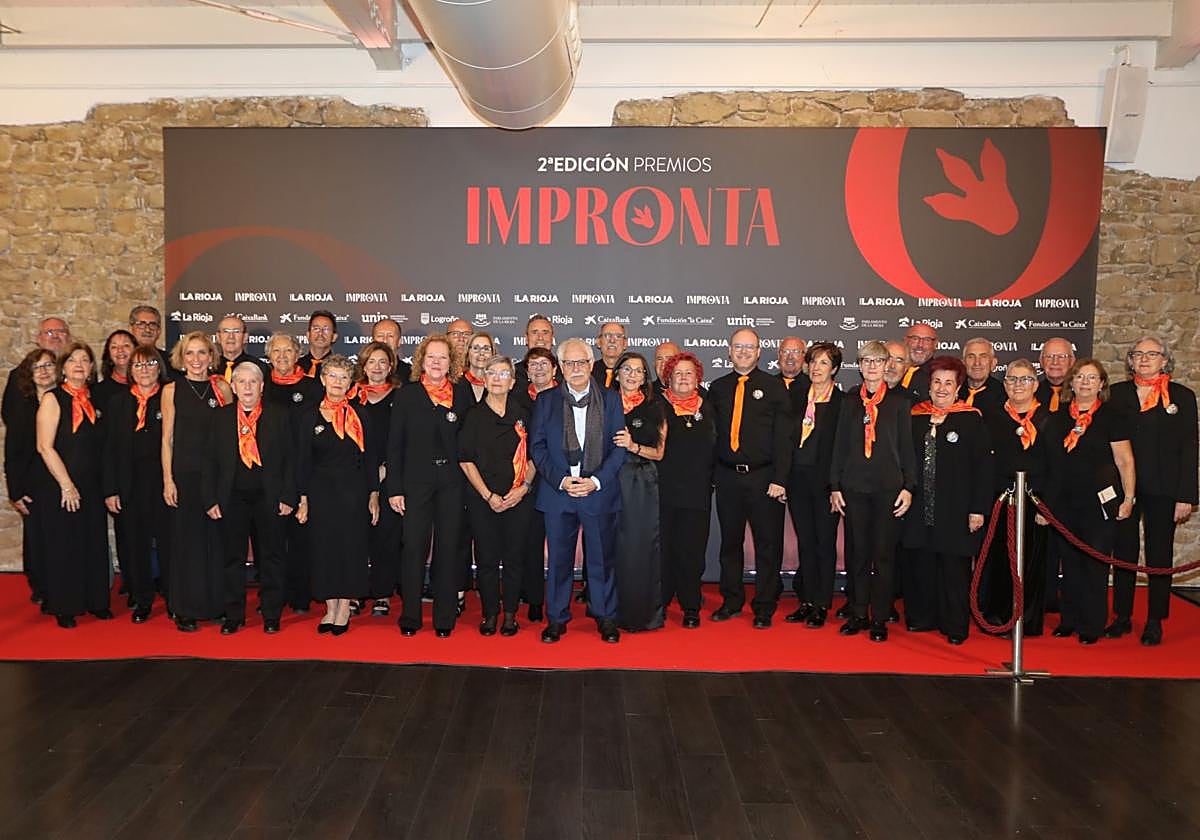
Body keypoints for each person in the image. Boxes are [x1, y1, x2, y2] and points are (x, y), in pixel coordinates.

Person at [531, 337, 628, 643]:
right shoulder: (546, 401)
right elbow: (538, 447)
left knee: (601, 559)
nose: (575, 369)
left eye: (581, 362)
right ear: (560, 367)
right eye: (569, 363)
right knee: (558, 560)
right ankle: (557, 618)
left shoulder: (611, 400)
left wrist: (595, 481)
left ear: (591, 364)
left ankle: (605, 616)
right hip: (559, 493)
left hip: (598, 492)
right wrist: (561, 480)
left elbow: (618, 450)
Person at [1109, 337, 1198, 645]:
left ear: (1165, 360)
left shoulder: (1182, 397)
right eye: (1138, 354)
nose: (1144, 359)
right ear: (1130, 361)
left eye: (1152, 354)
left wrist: (1186, 495)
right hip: (1125, 489)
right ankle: (1121, 615)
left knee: (1159, 553)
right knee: (1124, 551)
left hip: (1165, 489)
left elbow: (1189, 448)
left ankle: (1155, 619)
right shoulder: (1117, 395)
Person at [1042, 359, 1136, 645]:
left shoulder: (1112, 416)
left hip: (1100, 504)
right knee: (1068, 564)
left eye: (1092, 378)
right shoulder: (1057, 419)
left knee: (1094, 564)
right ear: (1071, 383)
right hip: (1064, 503)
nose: (1085, 382)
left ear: (1102, 384)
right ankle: (1068, 620)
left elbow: (1125, 460)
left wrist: (1129, 498)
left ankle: (1092, 624)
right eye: (1080, 377)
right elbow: (1050, 465)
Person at [901, 356, 993, 645]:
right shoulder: (914, 417)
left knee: (953, 569)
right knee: (920, 564)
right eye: (937, 382)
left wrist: (978, 508)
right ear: (929, 385)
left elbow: (983, 468)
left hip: (956, 508)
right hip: (918, 507)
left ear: (958, 387)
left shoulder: (970, 419)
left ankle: (954, 625)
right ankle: (921, 617)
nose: (942, 388)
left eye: (948, 383)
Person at [829, 341, 917, 642]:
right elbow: (838, 447)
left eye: (877, 361)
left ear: (886, 366)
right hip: (854, 488)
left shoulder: (899, 404)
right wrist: (835, 485)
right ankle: (857, 613)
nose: (871, 367)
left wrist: (908, 487)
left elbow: (907, 450)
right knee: (857, 555)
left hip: (888, 489)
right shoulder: (849, 402)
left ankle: (879, 616)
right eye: (866, 361)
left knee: (883, 556)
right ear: (860, 364)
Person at [386, 334, 472, 637]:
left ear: (452, 362)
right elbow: (394, 446)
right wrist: (394, 488)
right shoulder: (408, 395)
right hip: (415, 483)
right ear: (422, 360)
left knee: (449, 549)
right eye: (431, 357)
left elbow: (469, 444)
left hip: (452, 484)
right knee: (413, 549)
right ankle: (410, 616)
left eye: (443, 357)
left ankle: (444, 617)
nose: (437, 362)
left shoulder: (462, 396)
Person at [708, 329, 793, 628]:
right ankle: (731, 600)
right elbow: (710, 437)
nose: (743, 351)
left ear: (759, 352)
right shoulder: (718, 388)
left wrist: (781, 478)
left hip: (764, 478)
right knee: (730, 543)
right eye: (738, 346)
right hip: (728, 478)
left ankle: (764, 605)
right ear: (729, 351)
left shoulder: (773, 387)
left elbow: (785, 438)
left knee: (767, 545)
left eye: (750, 347)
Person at [204, 362, 296, 634]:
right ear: (233, 387)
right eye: (241, 382)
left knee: (272, 557)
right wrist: (210, 499)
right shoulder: (220, 418)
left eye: (252, 382)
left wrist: (288, 496)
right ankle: (234, 614)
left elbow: (291, 460)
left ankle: (271, 614)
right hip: (232, 498)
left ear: (262, 387)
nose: (247, 387)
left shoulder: (279, 415)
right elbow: (209, 462)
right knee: (232, 558)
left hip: (269, 497)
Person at [296, 355, 379, 635]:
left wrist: (373, 494)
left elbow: (370, 459)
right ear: (323, 379)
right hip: (321, 492)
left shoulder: (361, 415)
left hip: (353, 492)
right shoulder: (309, 416)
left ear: (351, 383)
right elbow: (302, 461)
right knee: (324, 550)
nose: (338, 382)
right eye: (332, 376)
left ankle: (345, 607)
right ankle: (330, 606)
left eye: (344, 377)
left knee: (350, 549)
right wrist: (303, 498)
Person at [458, 355, 536, 636]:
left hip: (518, 498)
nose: (497, 378)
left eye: (504, 374)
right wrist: (488, 495)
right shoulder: (474, 416)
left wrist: (523, 488)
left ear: (513, 381)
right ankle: (490, 613)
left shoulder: (525, 413)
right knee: (487, 559)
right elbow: (466, 460)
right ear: (485, 378)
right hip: (483, 499)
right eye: (492, 373)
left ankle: (511, 614)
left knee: (515, 558)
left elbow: (536, 456)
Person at [161, 331, 234, 632]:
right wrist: (168, 480)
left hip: (216, 477)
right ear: (181, 358)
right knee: (186, 543)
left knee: (217, 542)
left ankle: (216, 604)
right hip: (185, 476)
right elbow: (167, 439)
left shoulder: (223, 388)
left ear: (211, 357)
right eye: (189, 353)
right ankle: (185, 608)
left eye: (202, 352)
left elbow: (231, 435)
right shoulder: (170, 390)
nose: (195, 359)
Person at [35, 342, 110, 628]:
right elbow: (44, 447)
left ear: (91, 368)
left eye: (85, 360)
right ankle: (65, 606)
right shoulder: (53, 399)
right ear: (63, 368)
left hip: (92, 485)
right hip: (60, 485)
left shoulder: (95, 400)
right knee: (64, 545)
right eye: (73, 360)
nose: (79, 364)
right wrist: (67, 484)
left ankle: (95, 601)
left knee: (92, 543)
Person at [979, 358, 1053, 635]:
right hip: (1000, 500)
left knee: (1030, 562)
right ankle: (997, 617)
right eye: (1011, 379)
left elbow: (1055, 467)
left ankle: (1026, 620)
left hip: (1035, 500)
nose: (1017, 385)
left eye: (1024, 379)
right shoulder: (991, 416)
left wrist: (1047, 507)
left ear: (1035, 384)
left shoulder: (1048, 420)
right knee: (998, 559)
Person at [103, 344, 170, 623]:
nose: (145, 370)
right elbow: (108, 449)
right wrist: (110, 489)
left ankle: (173, 597)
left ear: (160, 367)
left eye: (150, 363)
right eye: (139, 365)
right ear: (130, 370)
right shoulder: (118, 403)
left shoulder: (169, 397)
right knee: (135, 545)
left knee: (168, 544)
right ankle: (142, 599)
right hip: (129, 487)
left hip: (163, 485)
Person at [784, 342, 844, 628]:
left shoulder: (842, 403)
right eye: (813, 362)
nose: (817, 368)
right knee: (806, 542)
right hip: (797, 480)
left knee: (824, 543)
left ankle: (822, 603)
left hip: (825, 485)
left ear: (833, 368)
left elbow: (844, 449)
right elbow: (784, 441)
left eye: (823, 363)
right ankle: (806, 600)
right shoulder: (795, 396)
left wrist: (836, 486)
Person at [263, 331, 323, 613]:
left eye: (288, 351)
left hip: (304, 467)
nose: (282, 357)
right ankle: (274, 596)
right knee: (271, 539)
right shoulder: (260, 386)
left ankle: (300, 595)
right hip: (267, 470)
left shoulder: (312, 387)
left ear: (298, 354)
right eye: (277, 352)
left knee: (301, 537)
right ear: (269, 356)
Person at [657, 352, 714, 629]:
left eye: (688, 373)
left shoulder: (710, 406)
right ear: (668, 377)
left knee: (691, 552)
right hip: (663, 492)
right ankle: (661, 603)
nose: (683, 378)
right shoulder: (657, 405)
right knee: (664, 550)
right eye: (677, 373)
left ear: (697, 378)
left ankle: (691, 605)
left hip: (697, 492)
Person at [612, 350, 667, 632]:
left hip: (640, 483)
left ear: (646, 377)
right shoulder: (603, 404)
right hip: (607, 482)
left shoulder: (654, 408)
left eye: (639, 371)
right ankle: (609, 612)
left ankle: (643, 614)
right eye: (627, 369)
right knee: (610, 549)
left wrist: (633, 446)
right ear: (617, 373)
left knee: (639, 548)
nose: (632, 375)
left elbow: (659, 453)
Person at [4, 348, 59, 607]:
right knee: (37, 539)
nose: (45, 371)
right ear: (30, 374)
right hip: (33, 484)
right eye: (38, 367)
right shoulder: (22, 408)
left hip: (62, 482)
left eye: (49, 365)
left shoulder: (67, 401)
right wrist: (15, 490)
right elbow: (12, 451)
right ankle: (41, 587)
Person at [354, 341, 403, 617]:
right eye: (371, 361)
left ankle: (383, 594)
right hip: (354, 477)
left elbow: (404, 440)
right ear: (363, 365)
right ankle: (356, 591)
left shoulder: (400, 397)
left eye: (383, 362)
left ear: (391, 366)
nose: (377, 367)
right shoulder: (351, 396)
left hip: (389, 476)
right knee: (357, 537)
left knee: (386, 536)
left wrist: (386, 471)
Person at [516, 345, 557, 621]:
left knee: (559, 542)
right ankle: (533, 598)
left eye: (544, 363)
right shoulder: (517, 399)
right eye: (533, 364)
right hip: (527, 479)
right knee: (530, 540)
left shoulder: (566, 397)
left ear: (555, 369)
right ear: (527, 371)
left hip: (557, 478)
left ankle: (558, 598)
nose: (539, 368)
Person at [3, 317, 72, 425]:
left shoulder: (80, 373)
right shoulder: (19, 375)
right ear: (38, 339)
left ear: (69, 338)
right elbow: (10, 415)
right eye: (49, 332)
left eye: (61, 331)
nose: (55, 336)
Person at [92, 329, 137, 411]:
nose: (120, 350)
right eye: (114, 347)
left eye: (126, 345)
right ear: (108, 354)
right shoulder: (97, 391)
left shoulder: (146, 386)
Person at [215, 315, 268, 382]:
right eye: (226, 331)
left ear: (245, 337)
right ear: (218, 337)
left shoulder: (259, 367)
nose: (231, 336)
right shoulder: (209, 367)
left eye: (236, 331)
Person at [960, 338, 1004, 413]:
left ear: (993, 363)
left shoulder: (1003, 395)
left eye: (983, 357)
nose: (977, 363)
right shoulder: (953, 391)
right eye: (971, 357)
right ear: (963, 363)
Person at [514, 315, 557, 391]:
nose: (540, 337)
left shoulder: (564, 371)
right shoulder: (514, 373)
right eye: (534, 332)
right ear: (526, 339)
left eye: (545, 333)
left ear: (552, 338)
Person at [1037, 338, 1076, 413]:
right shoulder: (1030, 393)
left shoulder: (1082, 395)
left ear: (1072, 361)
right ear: (1041, 361)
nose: (1055, 362)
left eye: (1061, 357)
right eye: (1049, 356)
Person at [900, 322, 938, 397]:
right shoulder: (892, 369)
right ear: (905, 341)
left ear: (935, 344)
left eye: (927, 340)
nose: (920, 345)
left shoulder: (939, 375)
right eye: (915, 339)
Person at [298, 310, 337, 378]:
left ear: (334, 337)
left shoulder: (342, 369)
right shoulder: (295, 367)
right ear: (308, 335)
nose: (320, 333)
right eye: (316, 329)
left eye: (326, 329)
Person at [592, 322, 627, 389]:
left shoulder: (633, 374)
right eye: (607, 336)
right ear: (598, 342)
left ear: (625, 343)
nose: (612, 340)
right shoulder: (588, 372)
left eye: (618, 336)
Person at [462, 332, 494, 403]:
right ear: (467, 352)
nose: (481, 353)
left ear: (493, 353)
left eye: (486, 349)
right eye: (476, 348)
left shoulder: (497, 385)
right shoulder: (455, 385)